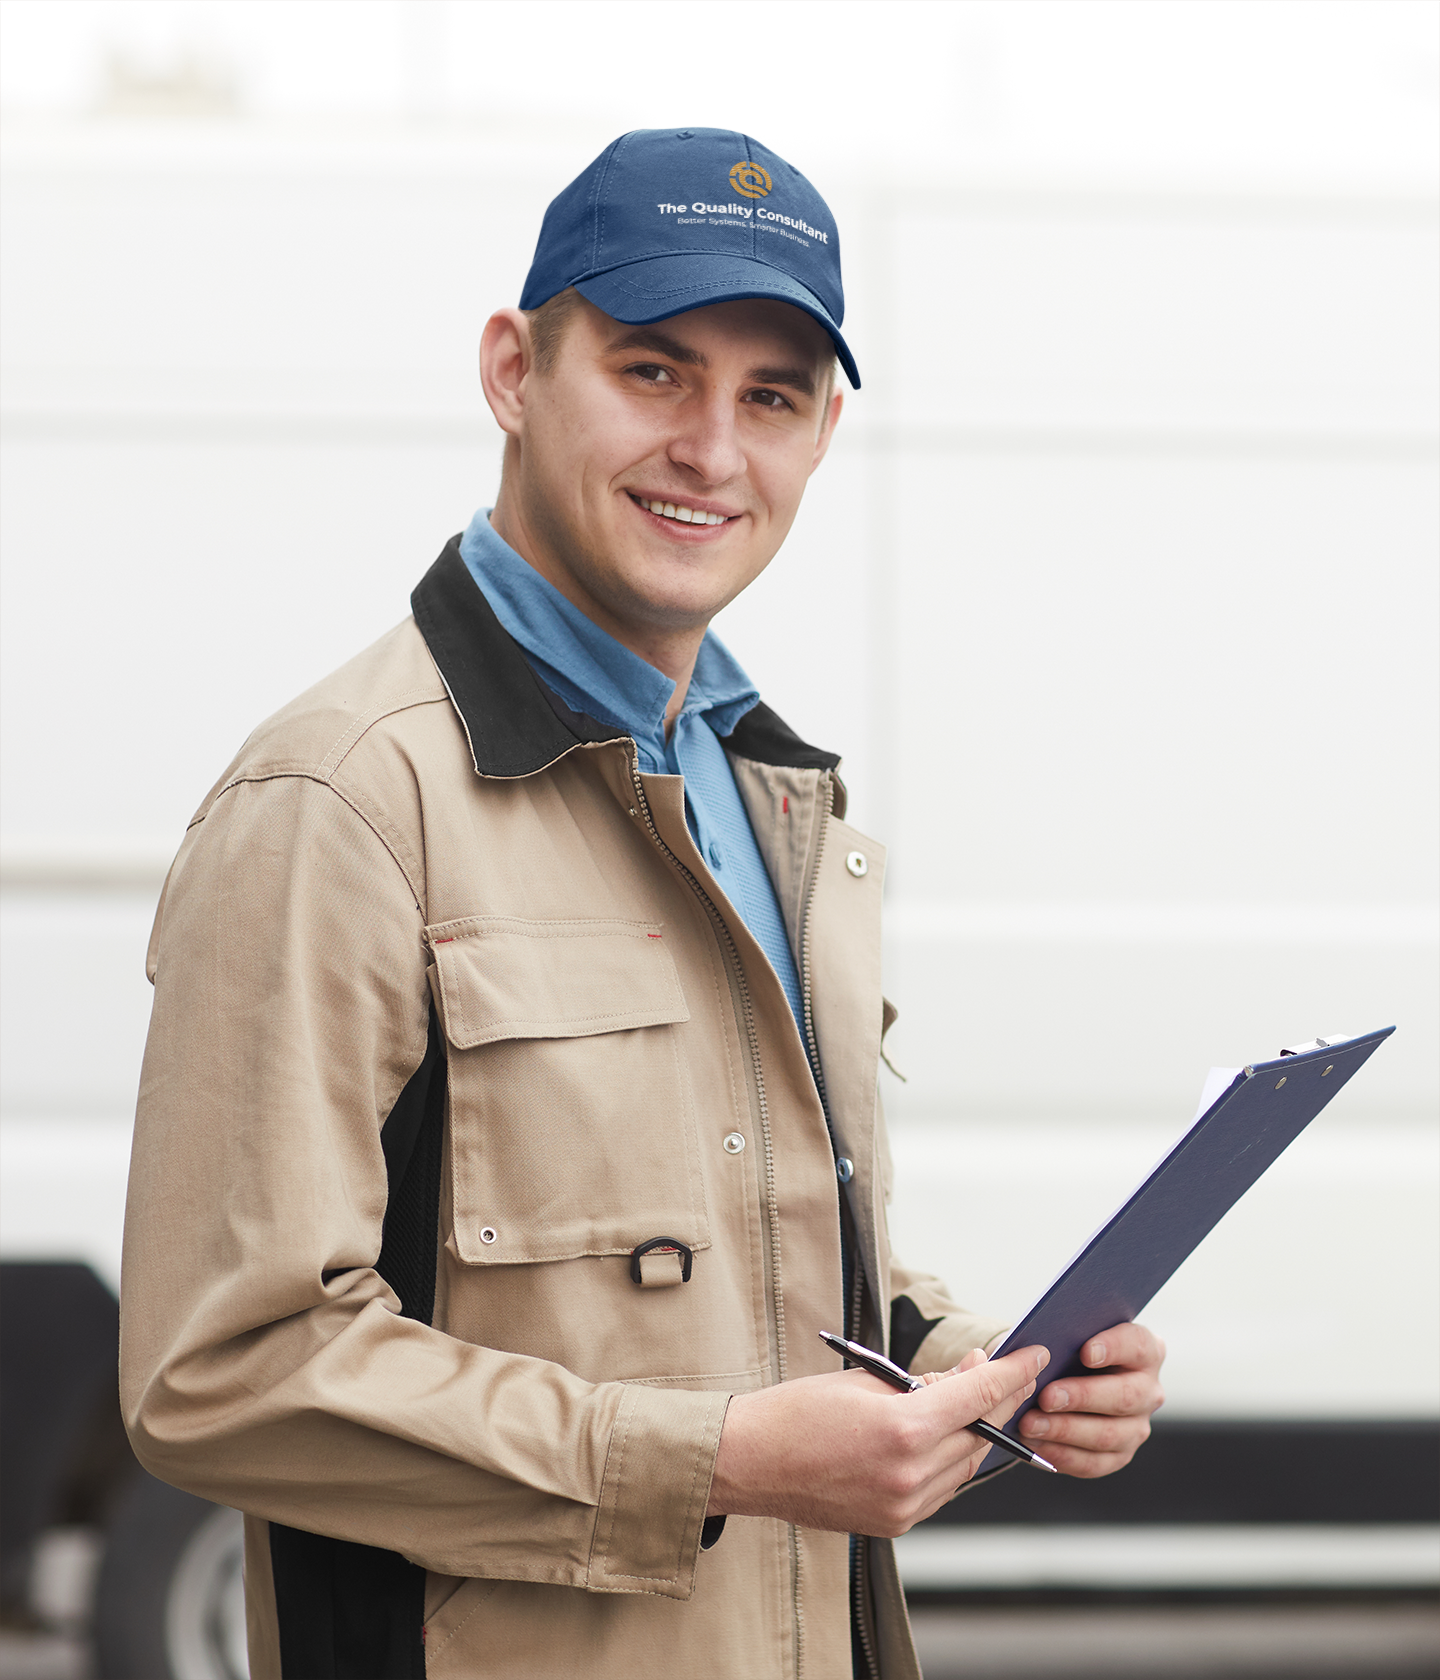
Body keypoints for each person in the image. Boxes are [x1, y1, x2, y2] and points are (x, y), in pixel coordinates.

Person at [120, 127, 1165, 1680]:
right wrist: (722, 1464)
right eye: (655, 372)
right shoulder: (341, 801)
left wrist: (971, 1363)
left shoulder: (769, 795)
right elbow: (222, 1371)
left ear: (821, 440)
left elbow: (737, 1251)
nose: (713, 451)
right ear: (512, 371)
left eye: (774, 398)